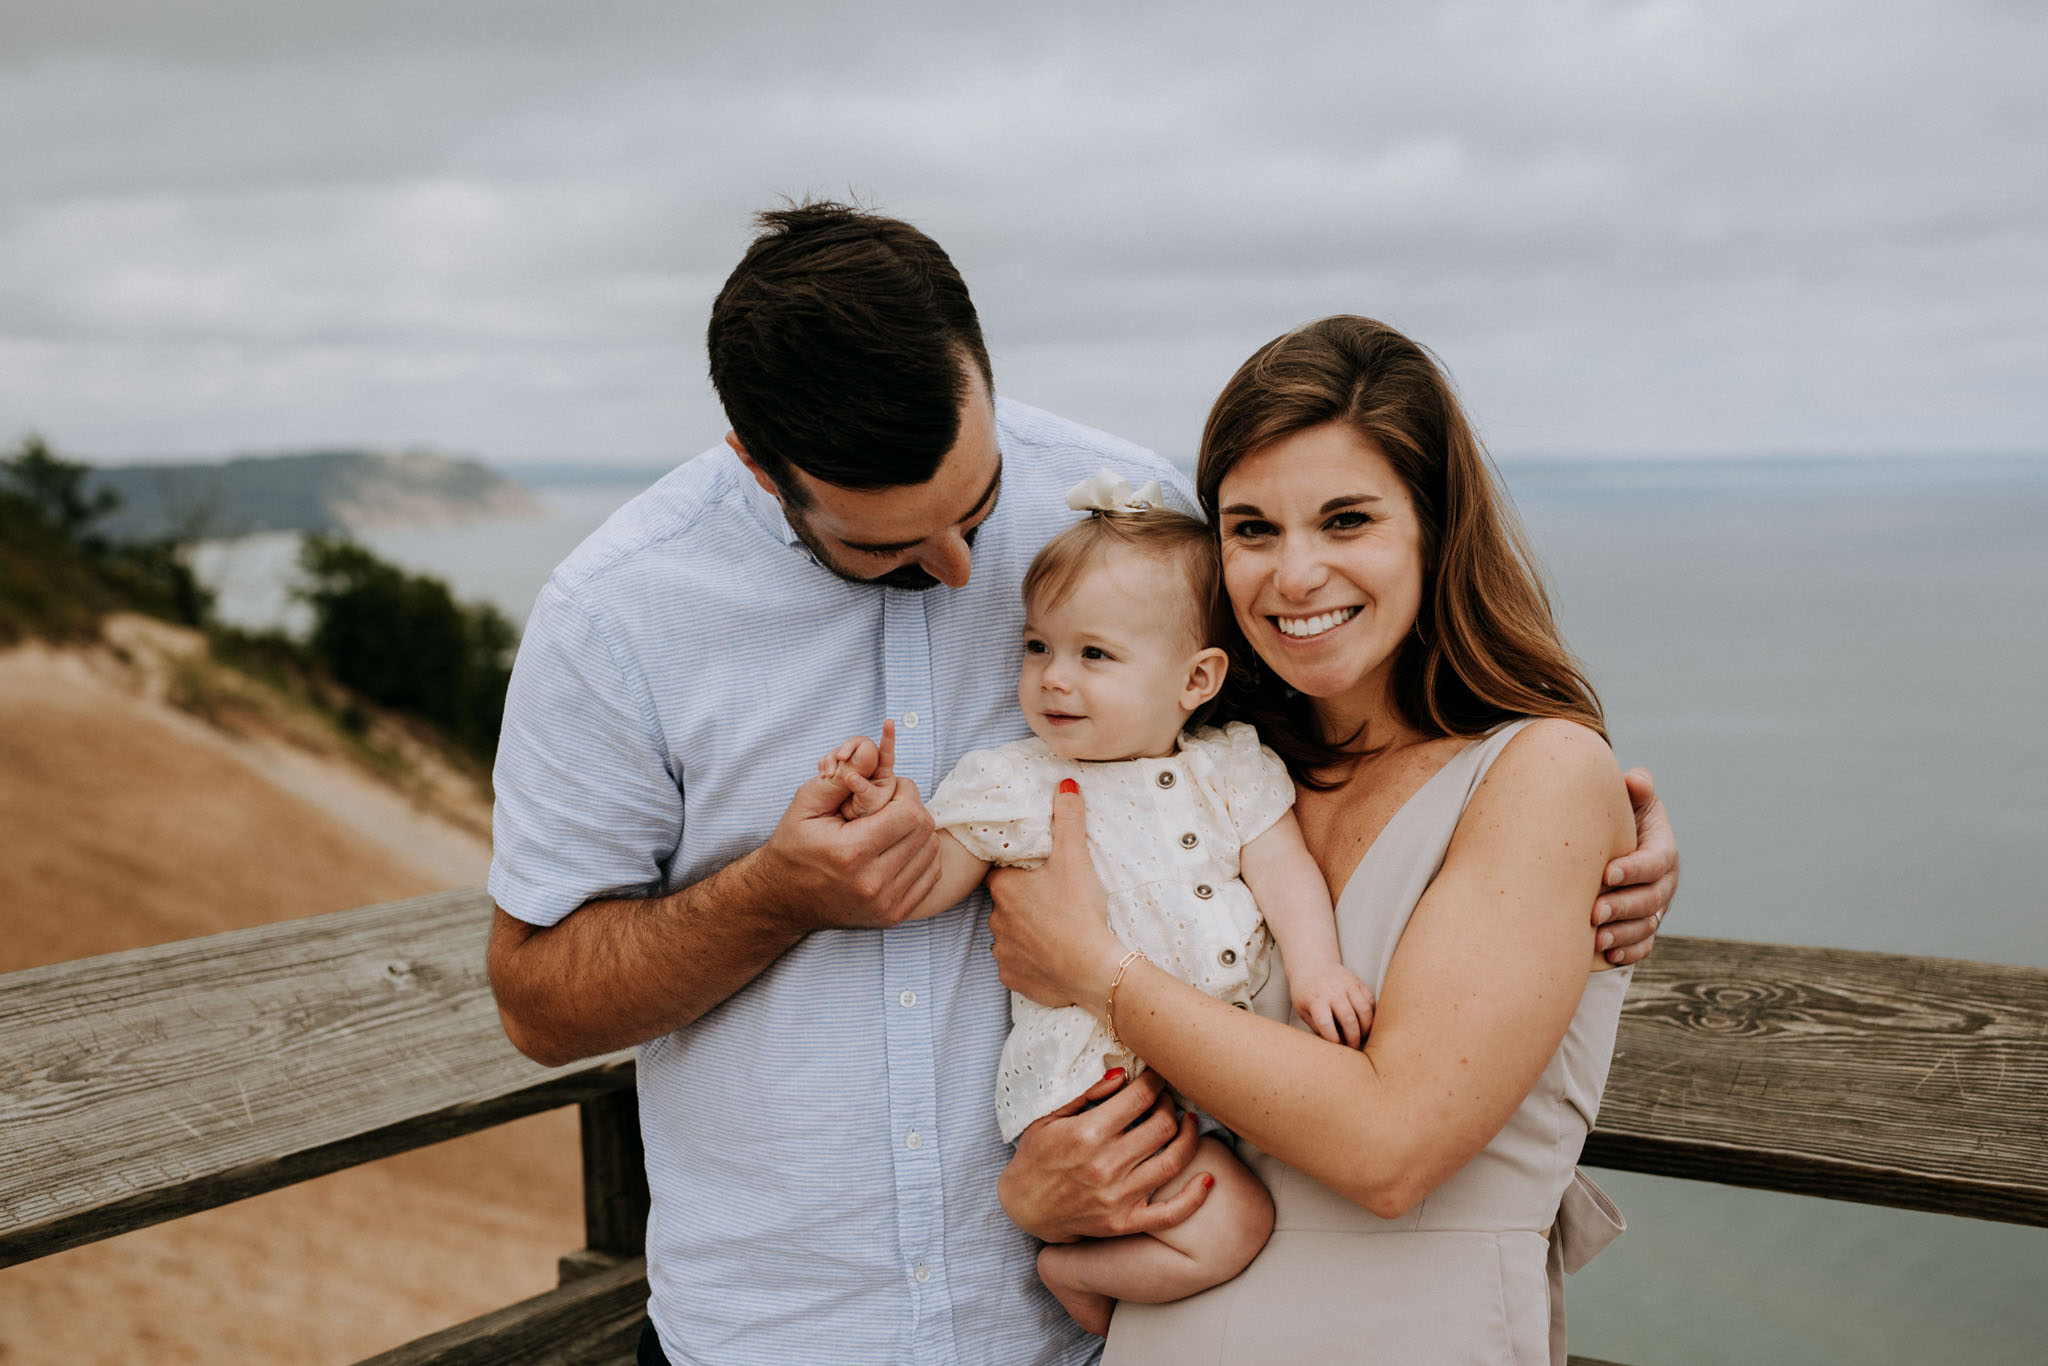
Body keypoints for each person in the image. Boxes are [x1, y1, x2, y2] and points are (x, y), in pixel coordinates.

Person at [485, 203, 1678, 1366]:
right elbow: (539, 1002)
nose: (960, 570)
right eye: (884, 546)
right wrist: (775, 895)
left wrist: (1585, 854)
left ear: (985, 381)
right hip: (782, 1334)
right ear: (758, 464)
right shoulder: (616, 616)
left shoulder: (1125, 515)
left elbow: (1289, 788)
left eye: (978, 504)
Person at [986, 314, 1653, 1362]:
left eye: (1345, 521)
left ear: (1434, 528)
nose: (1292, 576)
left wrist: (1093, 969)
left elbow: (1389, 1150)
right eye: (1250, 529)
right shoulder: (1226, 769)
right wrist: (1036, 1187)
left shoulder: (1539, 774)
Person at [812, 486, 1375, 1336]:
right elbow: (923, 881)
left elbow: (1284, 863)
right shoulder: (1019, 780)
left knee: (1292, 1214)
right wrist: (879, 814)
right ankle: (1078, 1277)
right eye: (1038, 646)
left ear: (1196, 679)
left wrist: (1320, 965)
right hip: (1096, 1090)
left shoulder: (1228, 766)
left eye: (1095, 654)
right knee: (1239, 1226)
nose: (1054, 678)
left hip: (1222, 1063)